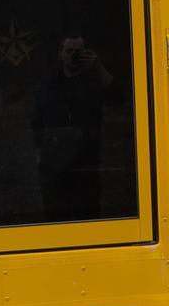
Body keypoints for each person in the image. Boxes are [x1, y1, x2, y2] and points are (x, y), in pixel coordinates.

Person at [32, 32, 123, 221]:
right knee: (55, 215)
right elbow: (37, 119)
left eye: (78, 51)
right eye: (69, 51)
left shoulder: (95, 81)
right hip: (54, 164)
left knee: (87, 215)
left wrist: (99, 68)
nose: (73, 55)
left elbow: (119, 99)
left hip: (86, 163)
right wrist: (38, 152)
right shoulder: (48, 85)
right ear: (60, 54)